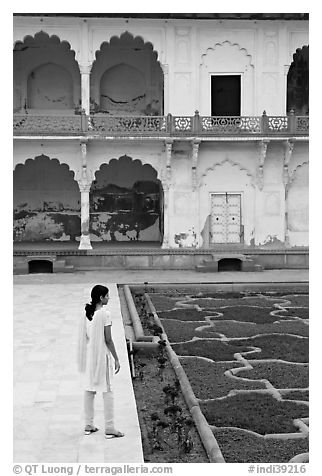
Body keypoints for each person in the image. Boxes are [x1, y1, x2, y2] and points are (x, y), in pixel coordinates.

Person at [77, 284, 124, 438]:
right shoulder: (105, 314)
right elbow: (108, 340)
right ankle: (110, 427)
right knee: (108, 390)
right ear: (101, 298)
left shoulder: (86, 314)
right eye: (107, 296)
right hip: (102, 355)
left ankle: (88, 424)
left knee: (89, 389)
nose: (109, 298)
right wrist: (116, 358)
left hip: (90, 355)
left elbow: (85, 336)